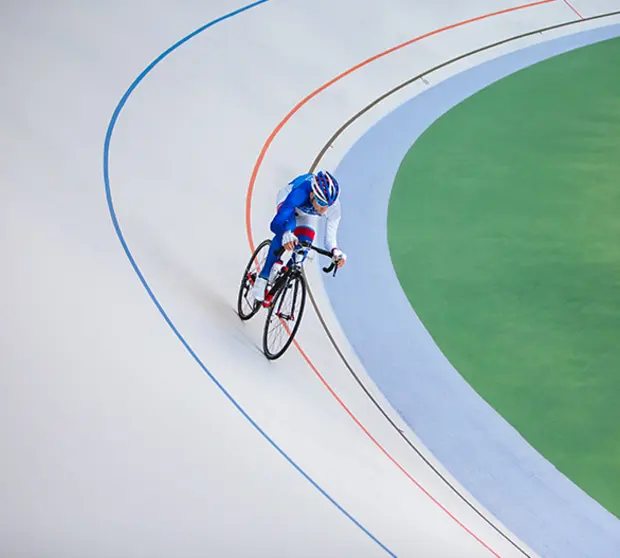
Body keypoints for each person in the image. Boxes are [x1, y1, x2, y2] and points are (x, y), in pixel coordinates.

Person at [252, 170, 347, 304]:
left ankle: (282, 278)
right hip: (288, 204)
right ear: (312, 194)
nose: (323, 210)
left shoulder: (334, 208)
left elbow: (330, 238)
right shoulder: (299, 193)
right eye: (320, 203)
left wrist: (335, 252)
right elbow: (275, 224)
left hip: (306, 214)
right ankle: (263, 276)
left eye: (327, 206)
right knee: (287, 229)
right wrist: (286, 234)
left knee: (303, 248)